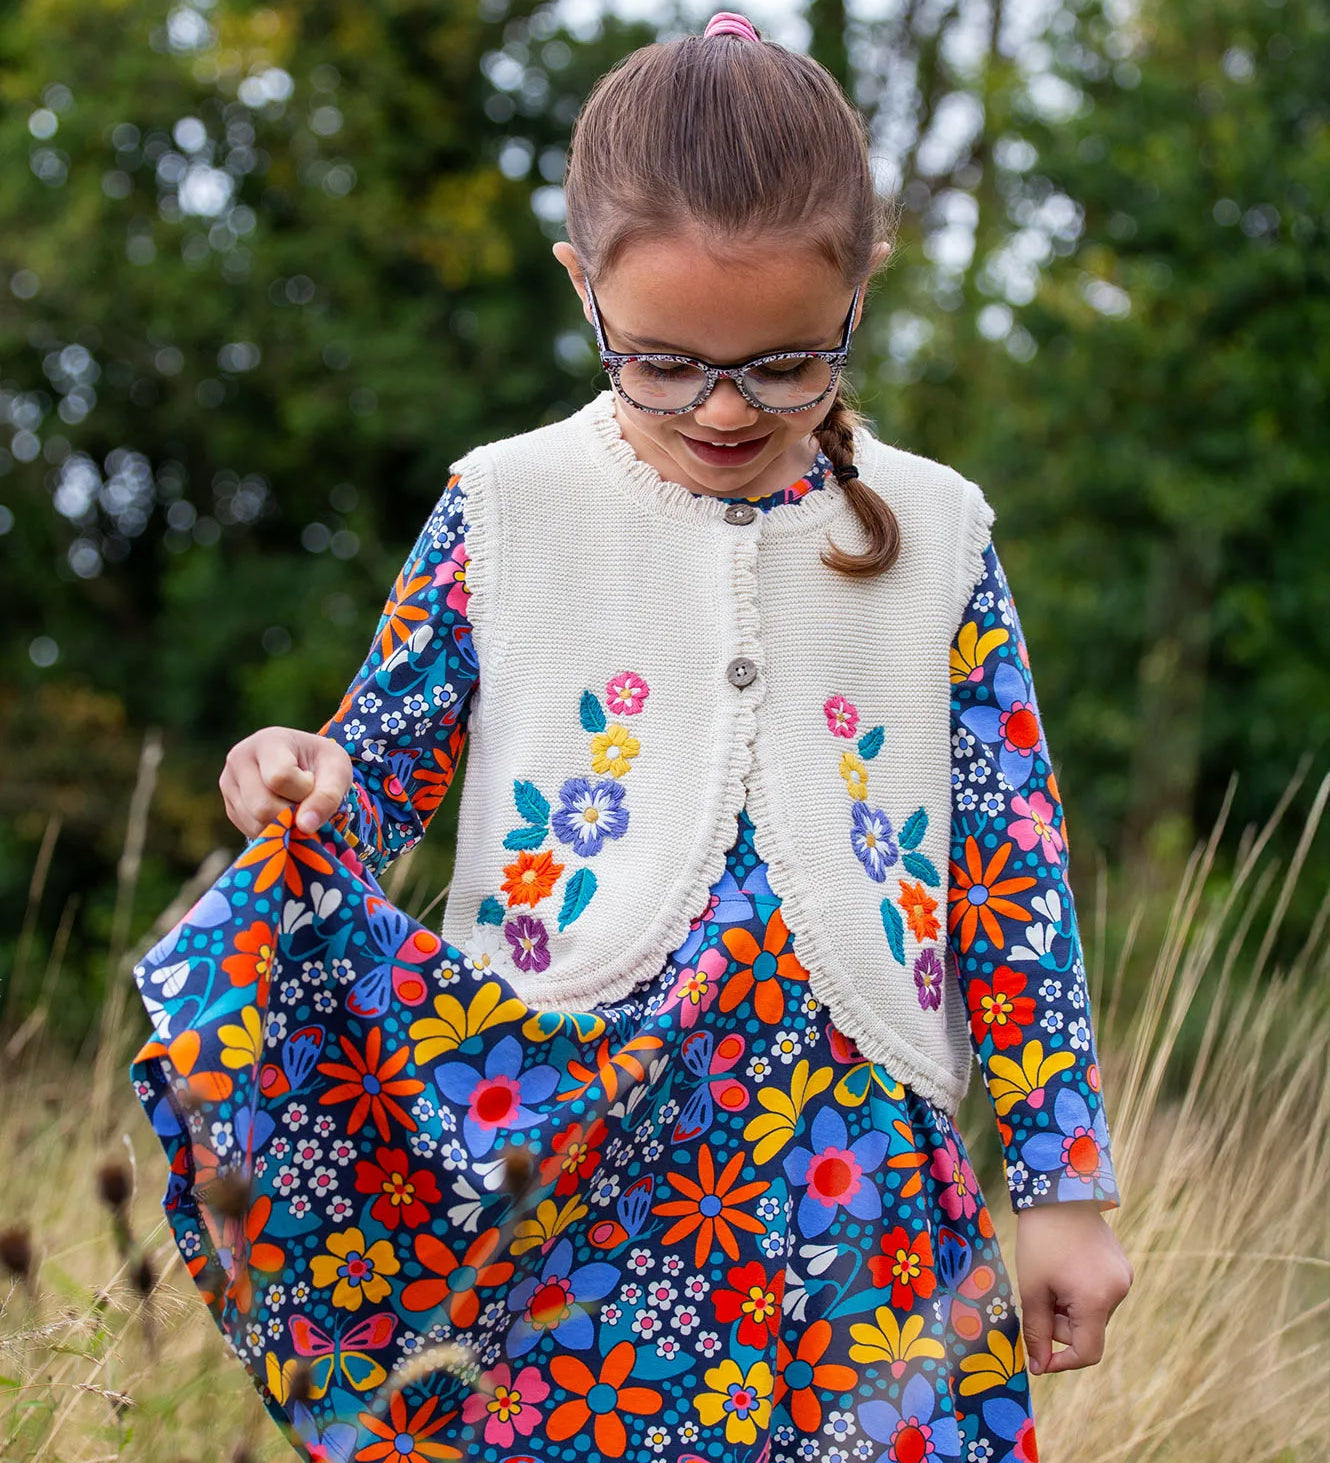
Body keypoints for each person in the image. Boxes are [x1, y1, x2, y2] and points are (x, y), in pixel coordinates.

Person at [130, 12, 1132, 1462]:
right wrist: (303, 775)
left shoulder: (941, 535)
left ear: (862, 289)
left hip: (857, 1182)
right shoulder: (505, 505)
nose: (724, 408)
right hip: (558, 1158)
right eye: (661, 364)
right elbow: (374, 778)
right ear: (580, 286)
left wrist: (1061, 1191)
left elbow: (1010, 878)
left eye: (785, 363)